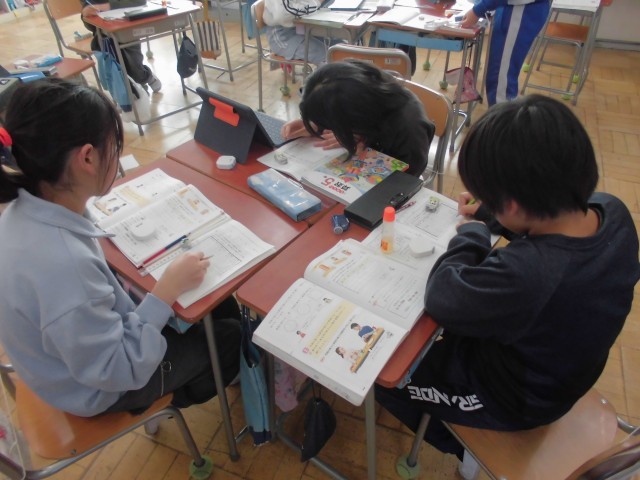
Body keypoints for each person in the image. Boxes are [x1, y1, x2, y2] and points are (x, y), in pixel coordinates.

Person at [374, 94, 640, 476]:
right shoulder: (611, 211)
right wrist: (492, 214)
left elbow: (443, 296)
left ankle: (466, 450)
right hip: (562, 366)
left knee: (387, 376)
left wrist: (474, 233)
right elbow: (546, 229)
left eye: (493, 199)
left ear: (513, 204)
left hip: (516, 399)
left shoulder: (532, 274)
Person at [0, 78, 241, 417]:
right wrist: (164, 294)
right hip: (100, 388)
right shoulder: (64, 266)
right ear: (87, 157)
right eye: (114, 147)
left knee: (219, 305)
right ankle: (174, 396)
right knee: (230, 338)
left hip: (71, 360)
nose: (117, 155)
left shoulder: (25, 209)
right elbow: (118, 369)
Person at [281, 61, 436, 176]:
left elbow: (406, 180)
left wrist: (366, 150)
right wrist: (315, 124)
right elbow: (330, 97)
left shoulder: (410, 129)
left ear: (357, 121)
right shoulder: (356, 82)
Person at [462, 0, 550, 105]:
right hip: (514, 10)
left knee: (501, 82)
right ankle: (505, 112)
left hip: (518, 12)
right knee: (502, 76)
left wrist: (478, 10)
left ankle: (504, 114)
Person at [80, 0, 162, 92]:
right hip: (105, 35)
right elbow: (89, 23)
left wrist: (105, 6)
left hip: (128, 29)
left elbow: (140, 1)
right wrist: (86, 14)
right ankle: (136, 90)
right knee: (118, 73)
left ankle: (145, 77)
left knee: (135, 71)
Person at [263, 0, 341, 66]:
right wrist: (317, 2)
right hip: (283, 36)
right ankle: (325, 78)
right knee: (328, 57)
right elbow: (283, 15)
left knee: (340, 47)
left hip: (304, 27)